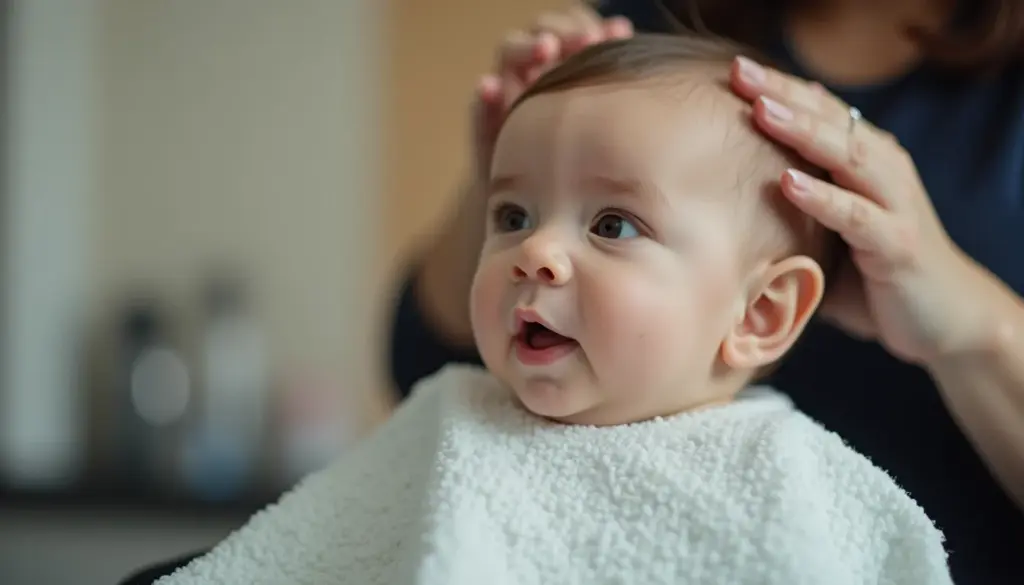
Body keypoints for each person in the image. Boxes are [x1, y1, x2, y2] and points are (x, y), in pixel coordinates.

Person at [121, 0, 1024, 582]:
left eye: (613, 225)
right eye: (513, 214)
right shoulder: (458, 416)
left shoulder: (799, 483)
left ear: (761, 311)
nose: (534, 254)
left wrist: (972, 324)